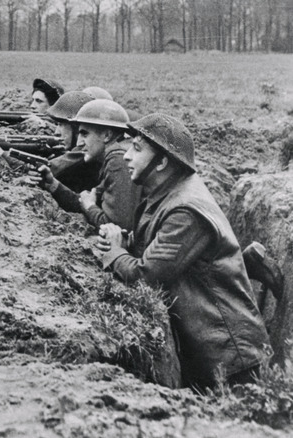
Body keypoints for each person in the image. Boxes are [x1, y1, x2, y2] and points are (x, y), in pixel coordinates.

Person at [96, 113, 269, 390]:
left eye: (137, 149)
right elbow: (151, 246)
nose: (126, 156)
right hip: (213, 352)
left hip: (231, 360)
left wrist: (115, 254)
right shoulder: (166, 194)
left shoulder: (185, 211)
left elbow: (145, 275)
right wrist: (124, 243)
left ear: (163, 161)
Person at [32, 99, 140, 231]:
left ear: (107, 135)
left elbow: (117, 229)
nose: (79, 143)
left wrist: (90, 207)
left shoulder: (118, 161)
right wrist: (52, 184)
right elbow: (83, 201)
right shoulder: (114, 157)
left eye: (84, 134)